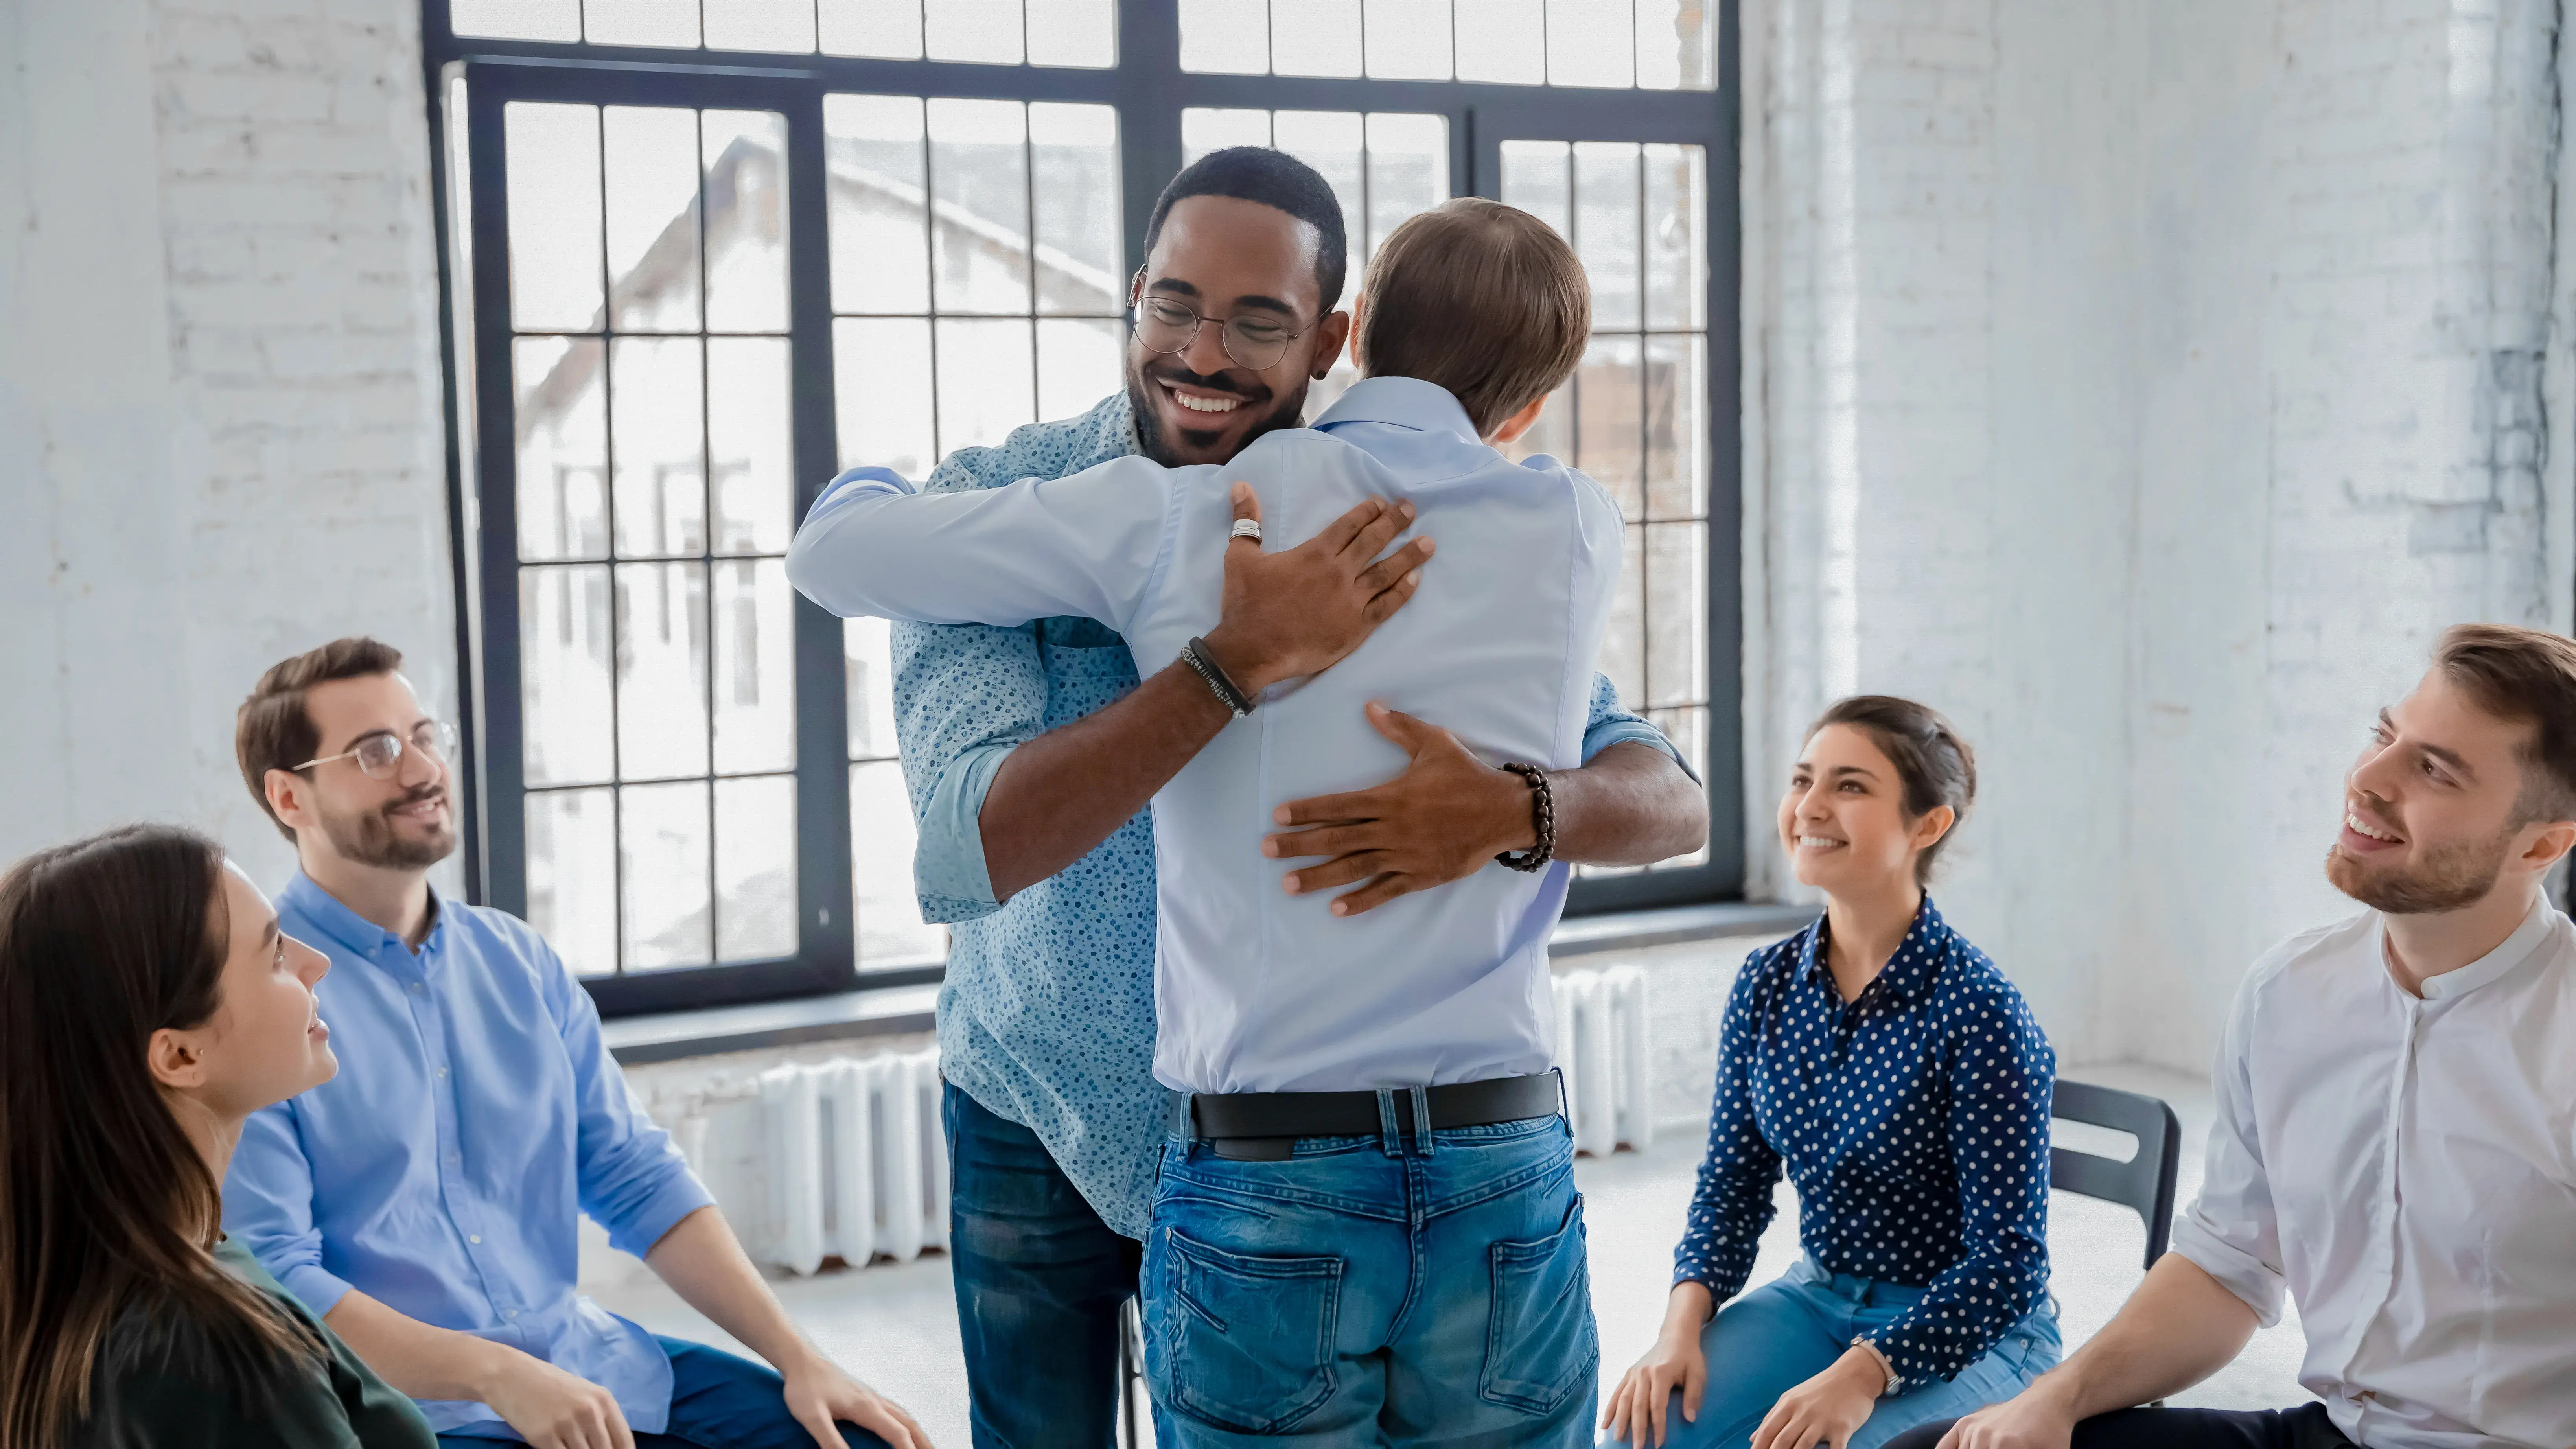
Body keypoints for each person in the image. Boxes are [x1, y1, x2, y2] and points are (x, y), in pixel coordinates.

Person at [820, 147, 1706, 1446]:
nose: (1206, 349)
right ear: (1133, 295)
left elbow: (1662, 793)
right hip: (1055, 1100)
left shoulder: (1211, 520)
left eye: (1259, 322)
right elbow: (972, 845)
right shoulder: (1555, 522)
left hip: (1261, 1163)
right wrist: (1233, 664)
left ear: (1341, 341)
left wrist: (1519, 810)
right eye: (1177, 304)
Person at [219, 638, 932, 1449]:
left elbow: (633, 1174)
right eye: (376, 752)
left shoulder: (518, 961)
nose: (420, 770)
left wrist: (801, 1358)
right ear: (289, 798)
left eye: (424, 736)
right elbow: (277, 1275)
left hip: (591, 1365)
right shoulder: (264, 999)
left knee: (858, 1440)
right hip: (422, 1414)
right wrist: (492, 1372)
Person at [1891, 623, 2576, 1449]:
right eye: (2383, 737)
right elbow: (2227, 1265)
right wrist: (2057, 1397)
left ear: (2540, 844)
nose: (2365, 779)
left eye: (2432, 769)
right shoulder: (2288, 993)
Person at [1603, 697, 2059, 1449]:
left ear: (1927, 825)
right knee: (1638, 1434)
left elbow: (2007, 1265)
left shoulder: (1981, 1014)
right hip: (1817, 1300)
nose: (1809, 808)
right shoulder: (1766, 983)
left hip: (1974, 1333)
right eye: (1802, 780)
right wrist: (1675, 1332)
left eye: (1850, 787)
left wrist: (1864, 1373)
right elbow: (1731, 1186)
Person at [0, 822, 436, 1449]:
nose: (316, 963)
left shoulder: (67, 1284)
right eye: (277, 955)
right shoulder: (221, 1356)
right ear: (179, 1057)